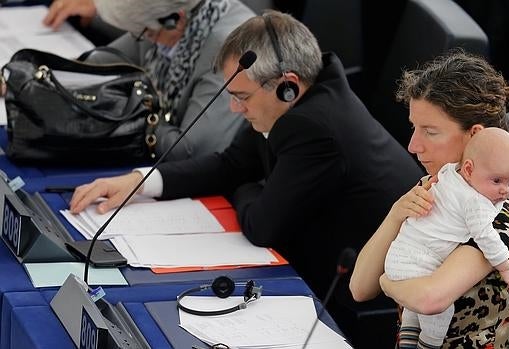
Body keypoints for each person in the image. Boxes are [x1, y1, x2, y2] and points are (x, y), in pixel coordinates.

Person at [68, 10, 423, 305]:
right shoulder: (300, 98)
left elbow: (261, 226)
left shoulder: (314, 128)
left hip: (362, 297)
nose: (235, 109)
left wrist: (247, 187)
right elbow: (232, 164)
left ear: (288, 85)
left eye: (241, 96)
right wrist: (140, 181)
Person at [349, 50, 509, 348]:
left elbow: (430, 297)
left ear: (474, 135)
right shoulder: (437, 186)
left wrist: (388, 284)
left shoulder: (496, 219)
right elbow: (358, 287)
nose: (413, 145)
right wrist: (396, 214)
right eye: (414, 128)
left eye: (430, 132)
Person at [43, 0, 255, 161]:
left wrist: (121, 114)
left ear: (177, 20)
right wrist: (42, 76)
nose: (140, 38)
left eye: (144, 31)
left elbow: (190, 149)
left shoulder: (228, 49)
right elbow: (98, 65)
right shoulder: (166, 19)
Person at [384, 127, 509, 349]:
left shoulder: (448, 173)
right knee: (441, 312)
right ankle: (427, 345)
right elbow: (487, 238)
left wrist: (386, 281)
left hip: (397, 257)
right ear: (468, 169)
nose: (505, 191)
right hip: (417, 263)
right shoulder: (476, 204)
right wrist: (507, 271)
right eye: (497, 181)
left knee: (414, 306)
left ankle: (408, 340)